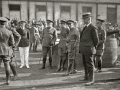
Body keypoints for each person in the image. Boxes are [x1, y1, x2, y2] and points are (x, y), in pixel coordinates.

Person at [79, 13, 99, 86]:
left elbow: (96, 40)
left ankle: (91, 80)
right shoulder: (85, 27)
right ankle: (86, 77)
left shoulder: (92, 27)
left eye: (85, 19)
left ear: (89, 19)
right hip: (84, 49)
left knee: (90, 65)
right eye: (83, 19)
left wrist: (92, 47)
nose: (84, 20)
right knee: (85, 64)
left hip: (89, 49)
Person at [0, 17, 15, 85]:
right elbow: (12, 43)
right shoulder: (9, 32)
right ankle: (8, 80)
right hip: (6, 51)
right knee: (7, 66)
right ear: (5, 23)